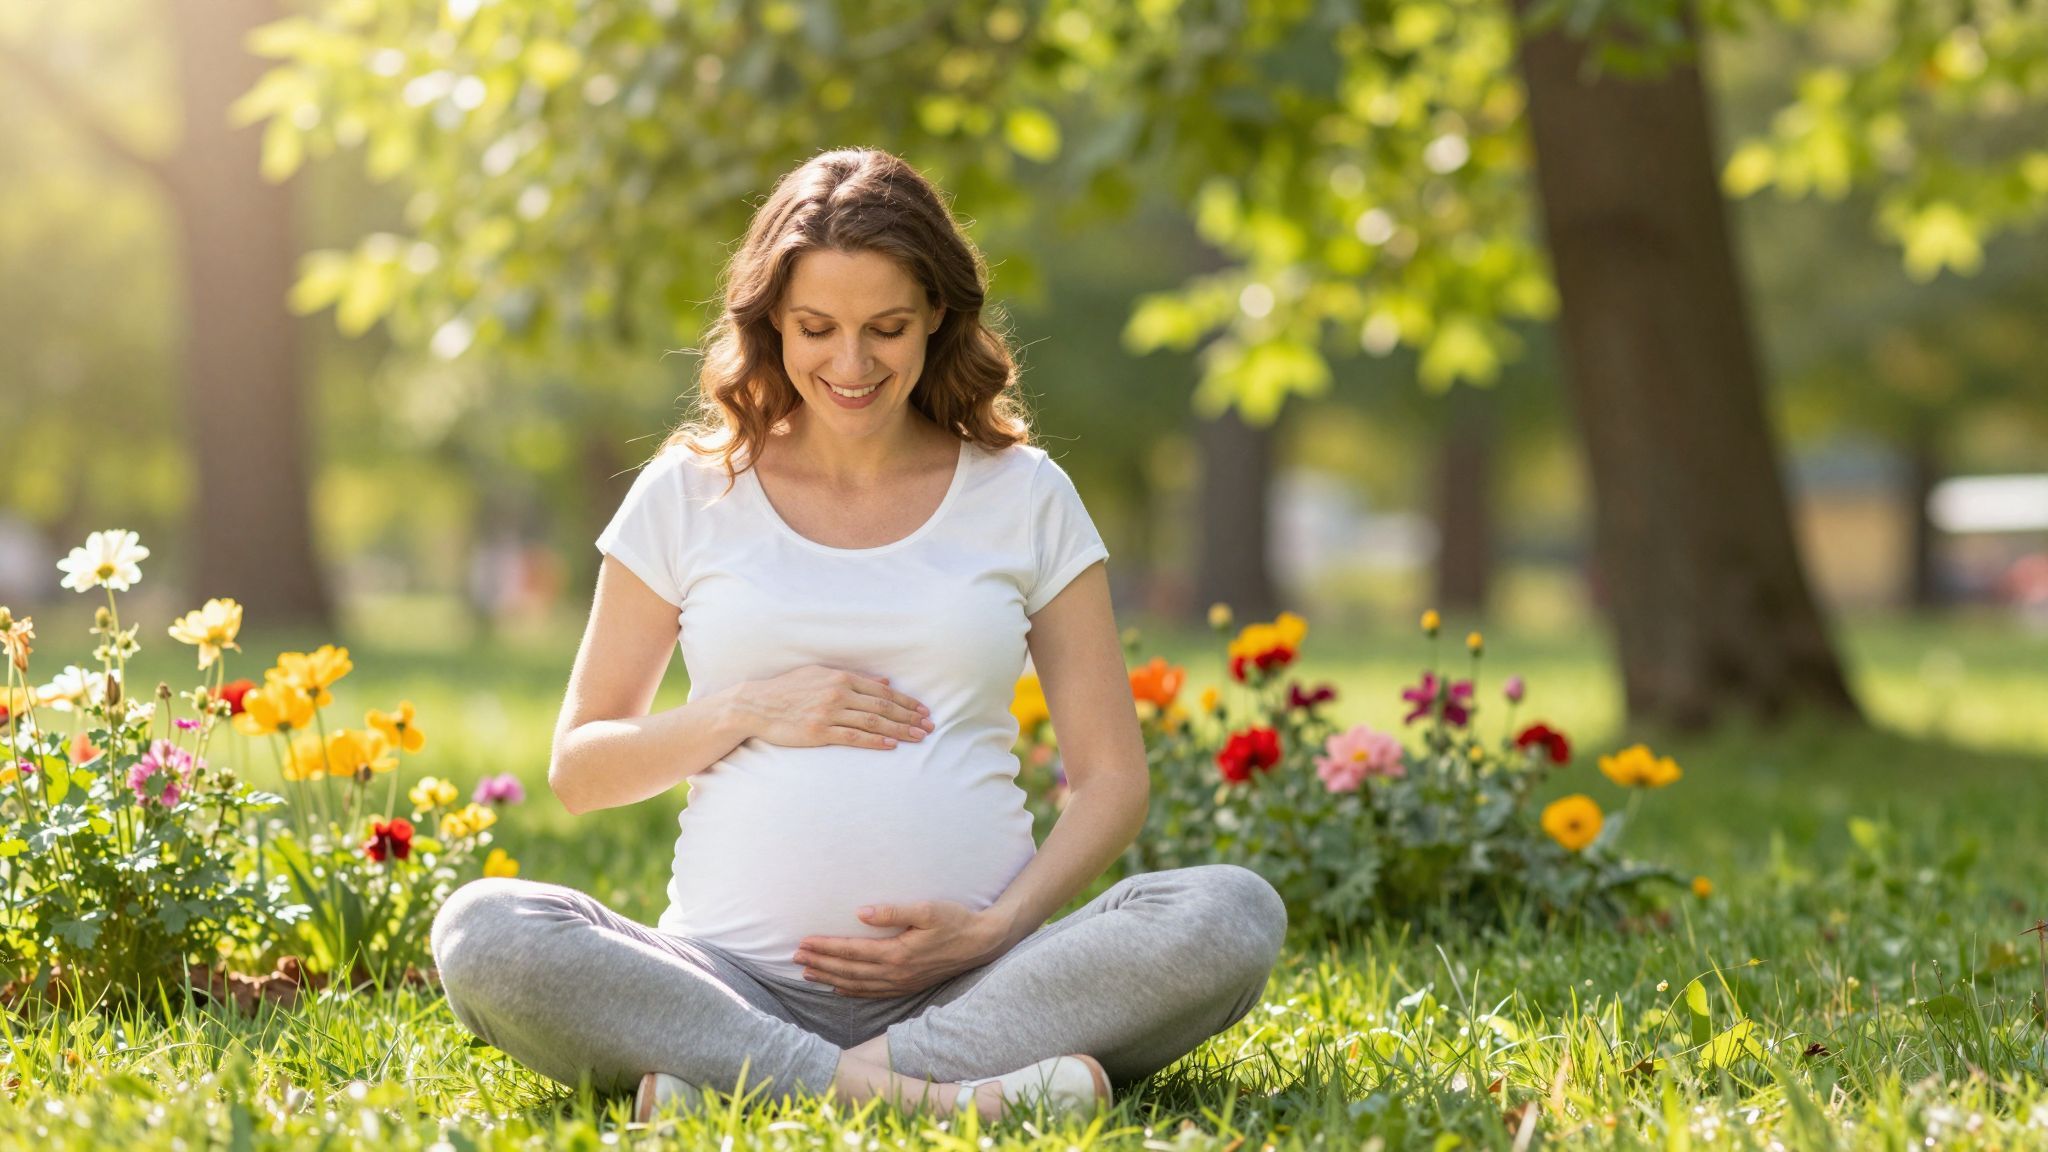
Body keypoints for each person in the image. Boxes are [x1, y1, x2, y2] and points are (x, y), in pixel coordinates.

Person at [428, 147, 1288, 1124]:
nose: (849, 364)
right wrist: (748, 708)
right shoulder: (689, 491)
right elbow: (584, 770)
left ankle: (742, 1089)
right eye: (815, 328)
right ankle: (941, 1100)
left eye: (884, 328)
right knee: (485, 931)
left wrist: (993, 929)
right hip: (722, 981)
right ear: (768, 324)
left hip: (973, 984)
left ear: (936, 314)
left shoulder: (1023, 494)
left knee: (1228, 913)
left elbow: (1110, 780)